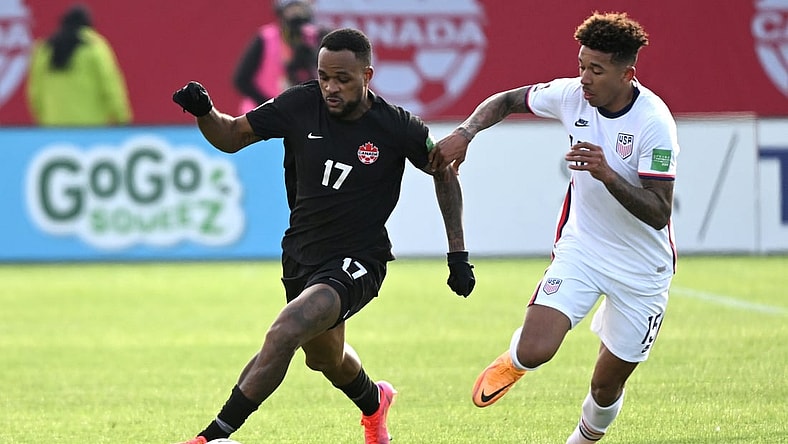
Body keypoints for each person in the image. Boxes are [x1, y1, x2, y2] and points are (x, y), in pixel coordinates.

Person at [172, 27, 476, 444]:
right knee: (324, 358)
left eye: (343, 79)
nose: (331, 88)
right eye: (324, 77)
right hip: (301, 254)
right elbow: (232, 135)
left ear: (367, 76)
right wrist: (204, 111)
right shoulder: (299, 104)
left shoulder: (396, 126)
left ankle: (212, 436)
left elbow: (442, 169)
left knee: (286, 330)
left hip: (358, 260)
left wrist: (457, 254)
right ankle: (375, 401)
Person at [430, 12, 679, 444]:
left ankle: (582, 439)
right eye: (582, 64)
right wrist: (467, 132)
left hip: (643, 272)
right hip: (583, 250)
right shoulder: (572, 96)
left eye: (596, 70)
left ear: (626, 74)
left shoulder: (655, 124)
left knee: (605, 387)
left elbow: (659, 211)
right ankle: (514, 359)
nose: (584, 77)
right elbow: (507, 100)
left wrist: (607, 173)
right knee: (534, 350)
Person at [26, 3, 132, 126]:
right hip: (90, 129)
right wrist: (122, 118)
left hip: (53, 129)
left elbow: (35, 93)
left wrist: (43, 121)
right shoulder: (94, 46)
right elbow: (110, 86)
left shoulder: (43, 49)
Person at [233, 0, 327, 115]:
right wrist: (269, 104)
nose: (296, 14)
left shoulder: (317, 38)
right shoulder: (266, 38)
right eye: (291, 9)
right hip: (263, 114)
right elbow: (241, 80)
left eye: (300, 8)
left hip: (300, 115)